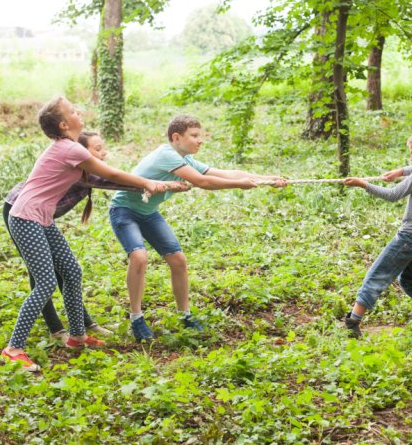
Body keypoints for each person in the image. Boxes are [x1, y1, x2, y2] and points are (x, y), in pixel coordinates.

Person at [1, 96, 170, 372]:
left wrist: (155, 184)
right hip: (25, 217)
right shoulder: (70, 149)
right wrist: (148, 183)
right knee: (45, 282)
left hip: (40, 218)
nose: (79, 113)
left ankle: (77, 337)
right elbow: (111, 172)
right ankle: (13, 348)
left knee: (72, 270)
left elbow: (107, 180)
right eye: (73, 111)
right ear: (65, 124)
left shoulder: (67, 148)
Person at [109, 114, 287, 341]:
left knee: (178, 261)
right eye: (194, 136)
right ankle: (136, 318)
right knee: (139, 257)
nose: (200, 140)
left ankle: (185, 315)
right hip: (124, 210)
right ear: (176, 137)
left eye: (199, 135)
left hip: (147, 213)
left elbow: (223, 173)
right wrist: (239, 185)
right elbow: (203, 182)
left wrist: (267, 178)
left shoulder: (185, 159)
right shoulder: (166, 155)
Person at [342, 129, 412, 338]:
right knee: (409, 277)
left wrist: (364, 184)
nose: (411, 158)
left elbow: (393, 194)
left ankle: (353, 322)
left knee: (376, 275)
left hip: (410, 238)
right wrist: (400, 171)